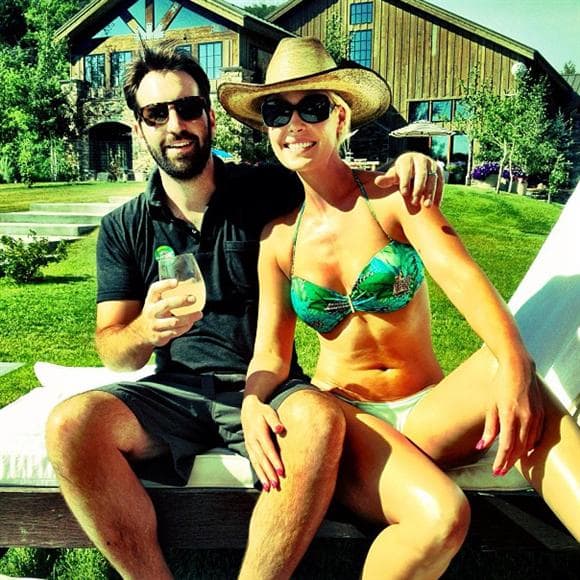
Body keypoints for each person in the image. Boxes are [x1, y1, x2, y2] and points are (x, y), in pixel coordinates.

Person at [44, 41, 441, 580]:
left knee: (319, 419)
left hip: (270, 386)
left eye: (187, 108)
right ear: (139, 127)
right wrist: (145, 330)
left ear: (209, 116)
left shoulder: (267, 190)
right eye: (156, 114)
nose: (175, 125)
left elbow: (335, 176)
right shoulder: (124, 228)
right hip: (176, 393)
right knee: (71, 424)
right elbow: (114, 349)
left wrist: (406, 164)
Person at [219, 36, 580, 578]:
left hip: (428, 410)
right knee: (441, 517)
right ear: (267, 129)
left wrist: (514, 362)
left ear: (340, 118)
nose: (293, 124)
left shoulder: (392, 198)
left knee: (513, 378)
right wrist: (251, 401)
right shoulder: (277, 242)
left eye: (312, 107)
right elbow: (271, 351)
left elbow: (460, 276)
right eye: (276, 111)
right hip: (354, 421)